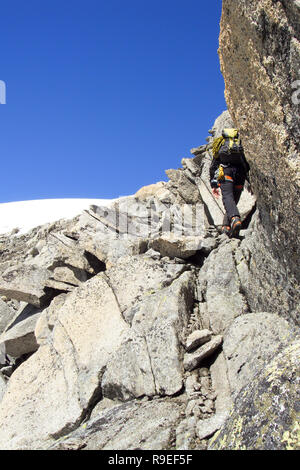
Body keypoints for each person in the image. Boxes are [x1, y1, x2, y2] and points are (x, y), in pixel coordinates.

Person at [209, 129, 250, 238]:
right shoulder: (239, 145)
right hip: (240, 174)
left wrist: (213, 183)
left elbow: (214, 165)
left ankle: (235, 219)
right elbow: (246, 164)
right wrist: (249, 181)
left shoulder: (220, 144)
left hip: (227, 172)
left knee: (228, 198)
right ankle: (226, 227)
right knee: (233, 200)